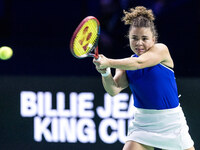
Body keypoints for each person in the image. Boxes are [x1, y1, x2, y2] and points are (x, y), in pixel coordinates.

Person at [93, 6, 195, 150]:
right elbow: (113, 90)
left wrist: (108, 61)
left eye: (144, 38)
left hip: (171, 122)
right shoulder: (124, 65)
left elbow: (139, 63)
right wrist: (105, 72)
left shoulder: (161, 50)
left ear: (153, 39)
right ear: (128, 39)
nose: (139, 43)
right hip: (142, 124)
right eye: (134, 38)